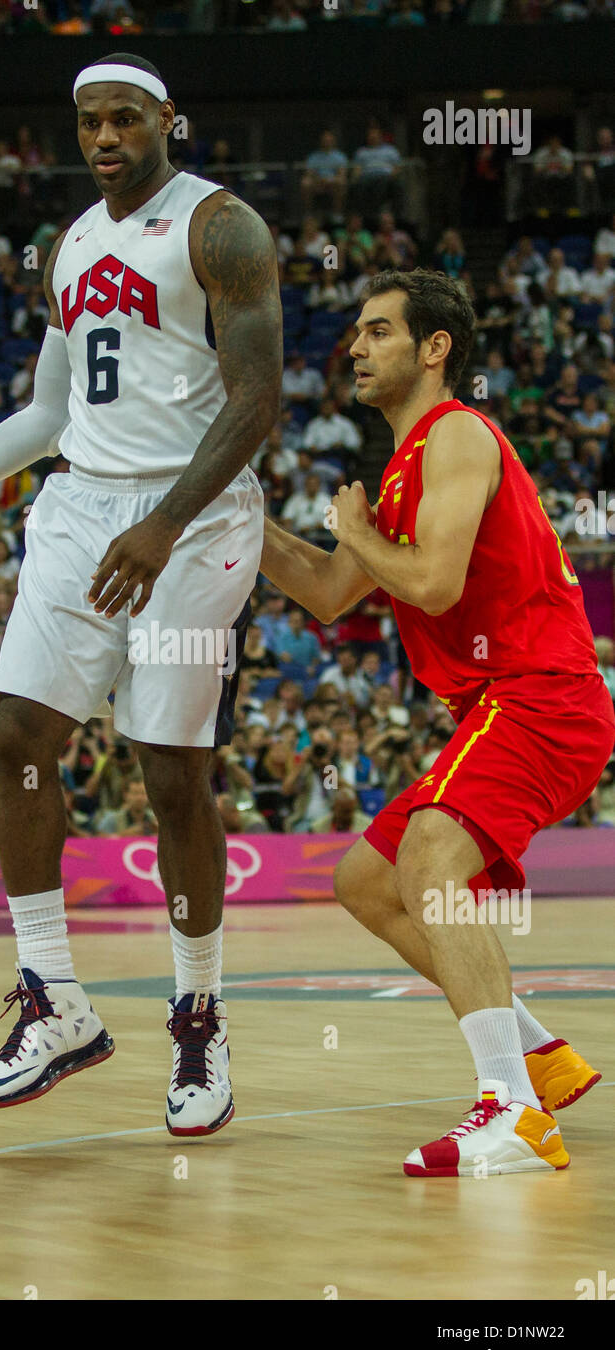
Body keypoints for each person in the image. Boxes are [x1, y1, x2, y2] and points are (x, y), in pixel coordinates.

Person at [0, 53, 281, 1136]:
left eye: (124, 118)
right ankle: (58, 1002)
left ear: (168, 120)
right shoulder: (73, 244)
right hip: (80, 507)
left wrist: (163, 522)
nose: (104, 138)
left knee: (171, 776)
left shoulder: (221, 228)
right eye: (88, 122)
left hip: (194, 521)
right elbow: (45, 414)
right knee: (13, 731)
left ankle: (196, 1015)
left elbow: (259, 396)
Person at [260, 266, 614, 1177]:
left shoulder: (457, 434)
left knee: (427, 862)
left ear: (435, 348)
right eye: (357, 333)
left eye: (378, 331)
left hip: (540, 693)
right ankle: (536, 1054)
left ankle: (513, 1113)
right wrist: (241, 522)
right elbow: (335, 594)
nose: (356, 347)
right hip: (500, 707)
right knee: (365, 882)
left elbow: (430, 582)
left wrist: (356, 528)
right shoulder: (403, 470)